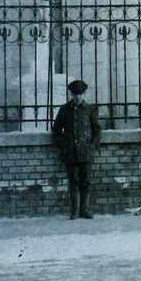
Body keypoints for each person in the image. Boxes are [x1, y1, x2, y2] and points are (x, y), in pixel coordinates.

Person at [52, 78, 101, 220]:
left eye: (80, 94)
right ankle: (75, 210)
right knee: (73, 181)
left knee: (85, 181)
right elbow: (56, 130)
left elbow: (96, 129)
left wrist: (93, 145)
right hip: (70, 152)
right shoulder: (64, 110)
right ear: (71, 94)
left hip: (86, 152)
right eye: (75, 94)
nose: (78, 97)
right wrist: (62, 144)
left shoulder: (90, 109)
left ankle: (84, 209)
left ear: (84, 94)